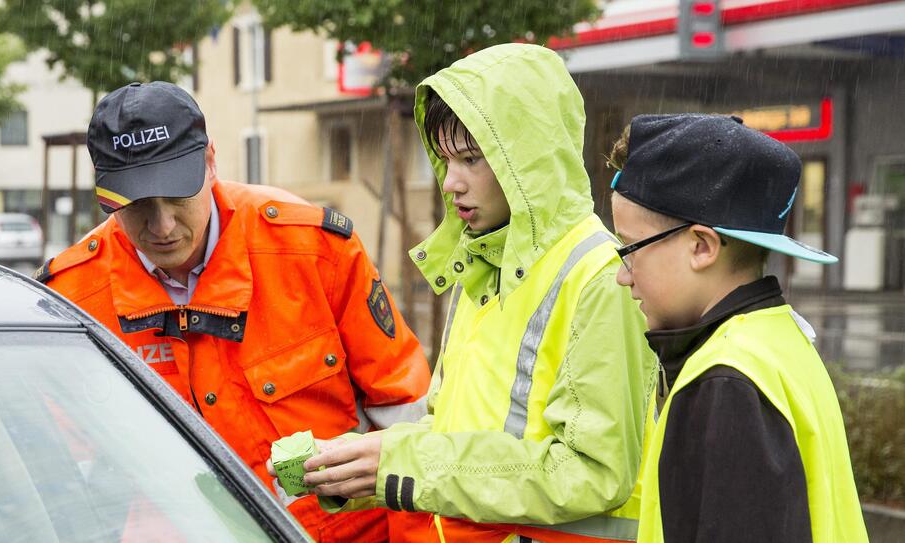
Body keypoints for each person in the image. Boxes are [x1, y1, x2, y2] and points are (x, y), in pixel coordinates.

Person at [289, 43, 658, 542]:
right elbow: (451, 435)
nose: (450, 184)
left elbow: (592, 474)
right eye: (444, 160)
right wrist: (359, 471)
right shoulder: (487, 266)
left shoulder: (601, 277)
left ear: (528, 158)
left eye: (470, 159)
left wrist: (402, 463)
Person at [35, 81, 431, 541]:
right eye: (138, 204)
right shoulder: (71, 299)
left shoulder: (313, 249)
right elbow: (67, 482)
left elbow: (409, 424)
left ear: (210, 162)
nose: (162, 226)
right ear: (104, 193)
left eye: (178, 195)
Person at [607, 113, 868, 542]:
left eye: (629, 248)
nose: (623, 274)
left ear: (701, 246)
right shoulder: (778, 341)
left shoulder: (725, 381)